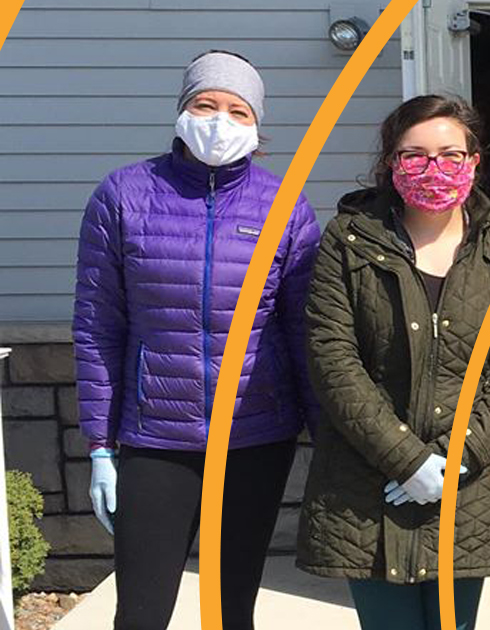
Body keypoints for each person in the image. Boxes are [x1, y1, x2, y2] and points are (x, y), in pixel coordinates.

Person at [72, 50, 321, 630]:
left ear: (257, 125)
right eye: (205, 105)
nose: (219, 120)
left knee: (231, 608)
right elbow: (98, 326)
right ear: (181, 112)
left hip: (255, 434)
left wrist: (325, 436)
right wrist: (100, 445)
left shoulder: (284, 205)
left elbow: (304, 330)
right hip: (156, 437)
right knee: (141, 612)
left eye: (237, 110)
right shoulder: (124, 196)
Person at [297, 95, 490, 630]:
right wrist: (406, 460)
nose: (434, 169)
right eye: (415, 155)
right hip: (367, 492)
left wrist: (459, 457)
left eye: (450, 154)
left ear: (475, 161)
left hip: (467, 493)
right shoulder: (349, 242)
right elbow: (332, 357)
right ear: (391, 163)